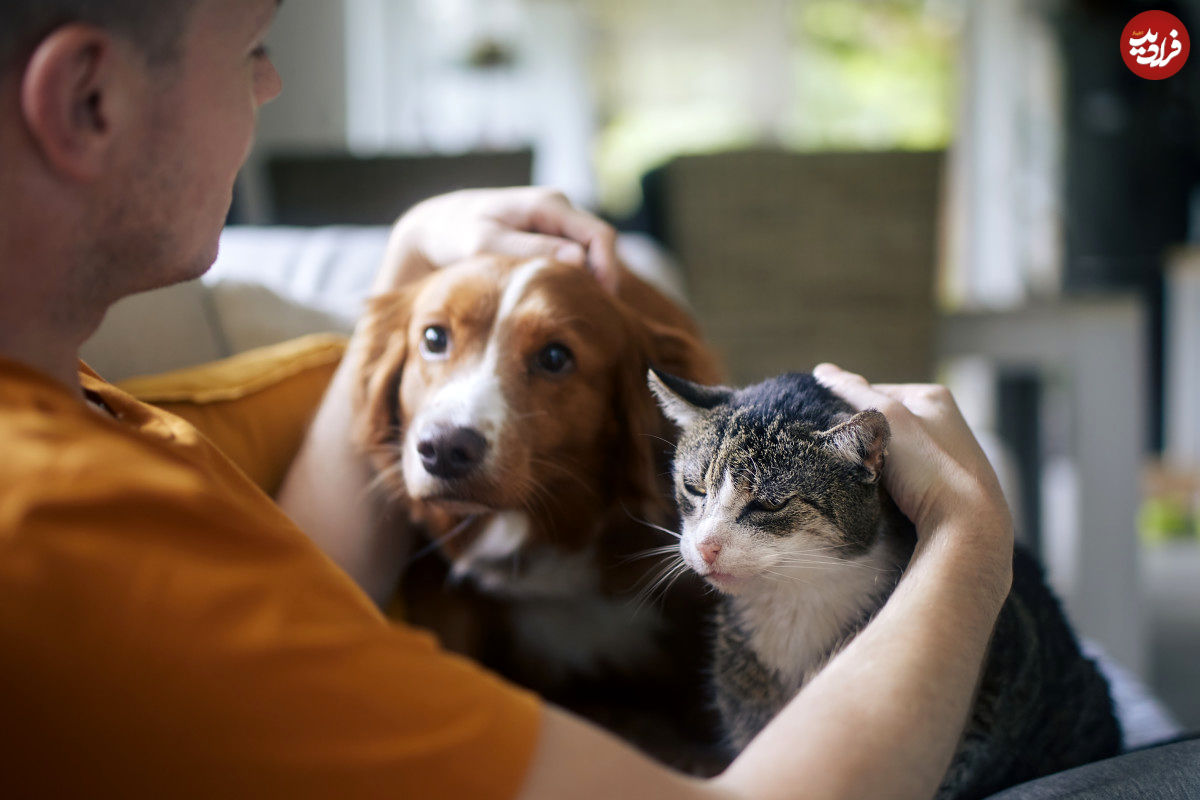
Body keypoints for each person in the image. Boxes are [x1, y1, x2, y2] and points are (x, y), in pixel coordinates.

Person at [0, 1, 1191, 798]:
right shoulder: (59, 537)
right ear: (89, 98)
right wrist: (971, 540)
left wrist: (416, 253)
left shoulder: (74, 400)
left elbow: (308, 574)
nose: (269, 78)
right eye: (250, 41)